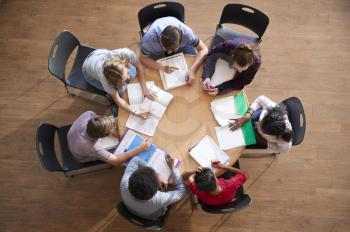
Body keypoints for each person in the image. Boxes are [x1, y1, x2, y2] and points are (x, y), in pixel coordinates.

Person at [82, 47, 156, 118]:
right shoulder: (107, 82)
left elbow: (139, 67)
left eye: (127, 72)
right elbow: (117, 99)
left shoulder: (125, 53)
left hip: (97, 54)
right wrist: (135, 112)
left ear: (124, 64)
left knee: (134, 76)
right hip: (88, 71)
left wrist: (144, 88)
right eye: (124, 79)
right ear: (115, 82)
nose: (129, 77)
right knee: (123, 92)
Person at [139, 16, 208, 85]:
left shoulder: (187, 34)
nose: (169, 53)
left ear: (180, 41)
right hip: (156, 49)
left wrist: (192, 70)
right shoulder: (149, 39)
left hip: (179, 44)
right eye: (165, 48)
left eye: (172, 50)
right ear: (160, 38)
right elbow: (142, 58)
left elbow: (204, 49)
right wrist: (161, 67)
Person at [67, 111, 152, 165]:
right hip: (81, 155)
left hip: (73, 138)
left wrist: (111, 131)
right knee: (122, 150)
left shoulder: (89, 114)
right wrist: (140, 148)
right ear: (103, 136)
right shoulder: (92, 148)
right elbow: (117, 161)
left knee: (117, 122)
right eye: (109, 131)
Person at [120, 154, 187, 220]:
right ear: (157, 190)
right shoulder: (158, 199)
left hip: (130, 208)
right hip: (151, 215)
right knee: (171, 187)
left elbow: (136, 160)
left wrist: (157, 175)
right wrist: (174, 169)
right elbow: (181, 192)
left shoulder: (125, 183)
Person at [182, 161, 248, 206]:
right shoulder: (231, 184)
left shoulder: (198, 190)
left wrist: (194, 171)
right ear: (216, 179)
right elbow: (246, 175)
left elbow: (184, 175)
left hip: (211, 203)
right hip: (228, 198)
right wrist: (225, 166)